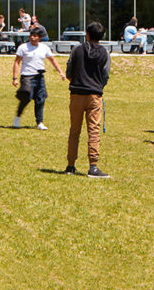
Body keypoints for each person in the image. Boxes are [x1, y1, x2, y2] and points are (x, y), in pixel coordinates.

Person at [62, 21, 112, 178]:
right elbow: (105, 75)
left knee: (74, 131)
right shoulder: (105, 53)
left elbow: (69, 72)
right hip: (94, 96)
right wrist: (98, 86)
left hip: (76, 94)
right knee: (93, 131)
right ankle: (93, 166)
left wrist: (77, 82)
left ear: (87, 34)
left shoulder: (77, 50)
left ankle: (70, 165)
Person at [11, 24, 56, 129]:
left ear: (40, 38)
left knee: (40, 99)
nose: (32, 37)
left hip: (39, 76)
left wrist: (61, 72)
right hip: (27, 76)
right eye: (31, 35)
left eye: (35, 36)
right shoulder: (23, 47)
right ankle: (17, 117)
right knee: (26, 98)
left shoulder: (44, 48)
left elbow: (52, 60)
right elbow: (17, 62)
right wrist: (15, 78)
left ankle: (39, 122)